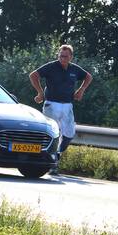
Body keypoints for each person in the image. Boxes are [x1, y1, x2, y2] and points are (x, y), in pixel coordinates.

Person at [29, 44, 92, 174]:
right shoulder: (51, 67)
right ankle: (50, 163)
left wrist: (81, 90)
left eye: (65, 56)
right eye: (60, 56)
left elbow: (88, 77)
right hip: (51, 104)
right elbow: (33, 75)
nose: (62, 58)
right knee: (53, 133)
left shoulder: (74, 69)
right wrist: (40, 92)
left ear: (71, 57)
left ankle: (57, 154)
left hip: (67, 105)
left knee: (69, 134)